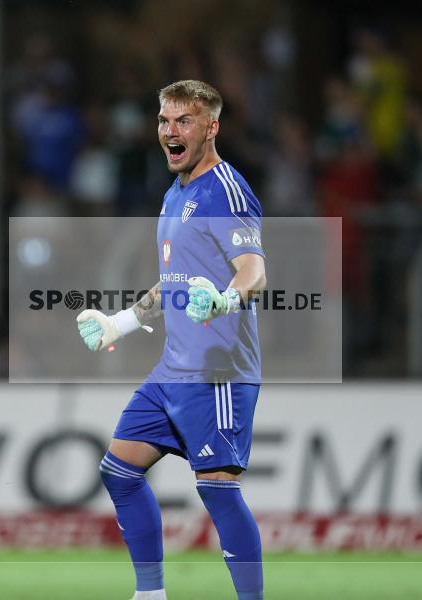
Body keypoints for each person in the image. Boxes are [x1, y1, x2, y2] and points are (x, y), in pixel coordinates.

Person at [75, 80, 267, 600]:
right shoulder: (175, 192)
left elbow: (253, 271)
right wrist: (121, 323)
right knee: (119, 470)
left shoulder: (226, 189)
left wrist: (226, 301)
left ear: (212, 127)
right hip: (172, 371)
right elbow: (177, 281)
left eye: (184, 121)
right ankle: (151, 595)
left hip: (217, 372)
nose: (170, 131)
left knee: (218, 492)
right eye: (164, 120)